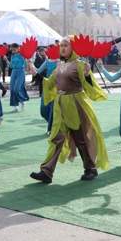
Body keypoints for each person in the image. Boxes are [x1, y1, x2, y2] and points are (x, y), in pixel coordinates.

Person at [29, 37, 109, 184]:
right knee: (56, 138)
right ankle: (46, 171)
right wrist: (36, 74)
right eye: (61, 46)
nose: (63, 48)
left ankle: (90, 169)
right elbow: (51, 83)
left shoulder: (80, 65)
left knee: (82, 139)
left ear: (73, 47)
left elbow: (90, 86)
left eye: (66, 45)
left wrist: (87, 75)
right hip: (60, 106)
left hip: (77, 105)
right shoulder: (60, 65)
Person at [34, 53, 58, 134]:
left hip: (57, 86)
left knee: (53, 108)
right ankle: (54, 124)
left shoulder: (62, 62)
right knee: (43, 109)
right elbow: (38, 71)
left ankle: (51, 128)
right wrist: (29, 62)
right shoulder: (47, 62)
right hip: (47, 85)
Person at [8, 43, 32, 112]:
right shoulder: (12, 56)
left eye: (14, 50)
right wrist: (7, 60)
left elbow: (26, 64)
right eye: (12, 50)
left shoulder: (22, 55)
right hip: (13, 72)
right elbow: (11, 66)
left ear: (18, 48)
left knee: (17, 88)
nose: (13, 51)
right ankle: (15, 106)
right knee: (12, 89)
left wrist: (28, 66)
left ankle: (22, 101)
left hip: (21, 72)